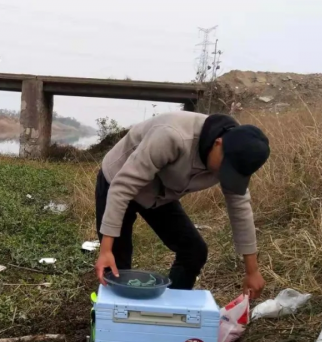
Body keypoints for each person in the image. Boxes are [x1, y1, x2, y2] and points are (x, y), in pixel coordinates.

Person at [95, 111, 270, 297]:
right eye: (225, 170)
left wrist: (252, 271)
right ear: (218, 144)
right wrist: (106, 250)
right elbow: (122, 187)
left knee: (194, 251)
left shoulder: (236, 156)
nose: (224, 176)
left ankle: (170, 311)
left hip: (161, 194)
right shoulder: (172, 136)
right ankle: (113, 319)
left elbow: (240, 210)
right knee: (117, 268)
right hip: (118, 181)